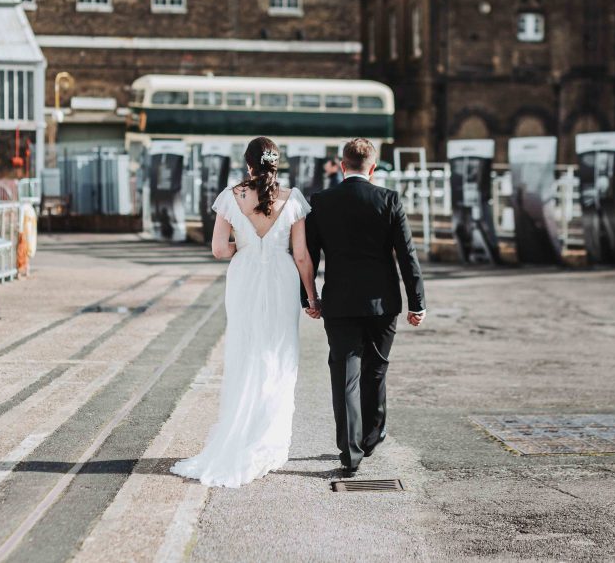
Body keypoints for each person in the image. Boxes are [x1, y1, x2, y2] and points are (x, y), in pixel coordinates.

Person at [171, 136, 319, 488]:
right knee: (278, 353)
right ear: (275, 163)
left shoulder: (231, 196)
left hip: (245, 277)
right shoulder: (293, 199)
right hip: (282, 279)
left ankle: (239, 431)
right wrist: (312, 297)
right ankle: (268, 440)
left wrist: (249, 245)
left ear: (248, 164)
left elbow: (220, 250)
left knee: (245, 350)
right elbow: (301, 256)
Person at [303, 137, 426, 478]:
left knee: (345, 374)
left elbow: (309, 256)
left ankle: (350, 450)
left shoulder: (322, 202)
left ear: (343, 166)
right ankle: (372, 435)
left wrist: (308, 297)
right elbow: (407, 255)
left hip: (339, 302)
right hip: (382, 303)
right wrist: (418, 303)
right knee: (376, 369)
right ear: (372, 168)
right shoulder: (388, 199)